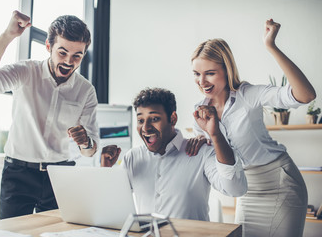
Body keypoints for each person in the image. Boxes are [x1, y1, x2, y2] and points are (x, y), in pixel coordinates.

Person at [188, 19, 316, 236]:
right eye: (196, 74)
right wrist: (203, 141)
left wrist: (271, 46)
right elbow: (218, 160)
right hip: (246, 188)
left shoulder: (248, 95)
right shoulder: (199, 112)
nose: (202, 81)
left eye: (210, 73)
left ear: (226, 70)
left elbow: (306, 95)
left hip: (280, 183)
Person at [0, 10, 99, 219]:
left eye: (77, 56)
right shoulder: (25, 72)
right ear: (48, 47)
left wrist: (85, 142)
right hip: (18, 174)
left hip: (62, 176)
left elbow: (90, 151)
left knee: (57, 234)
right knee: (14, 234)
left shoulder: (86, 90)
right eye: (62, 52)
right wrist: (7, 36)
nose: (68, 61)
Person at [100, 87, 247, 221]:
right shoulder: (132, 158)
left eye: (155, 118)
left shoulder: (200, 152)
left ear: (173, 119)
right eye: (140, 120)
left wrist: (215, 135)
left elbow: (235, 188)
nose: (145, 127)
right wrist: (105, 169)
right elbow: (111, 205)